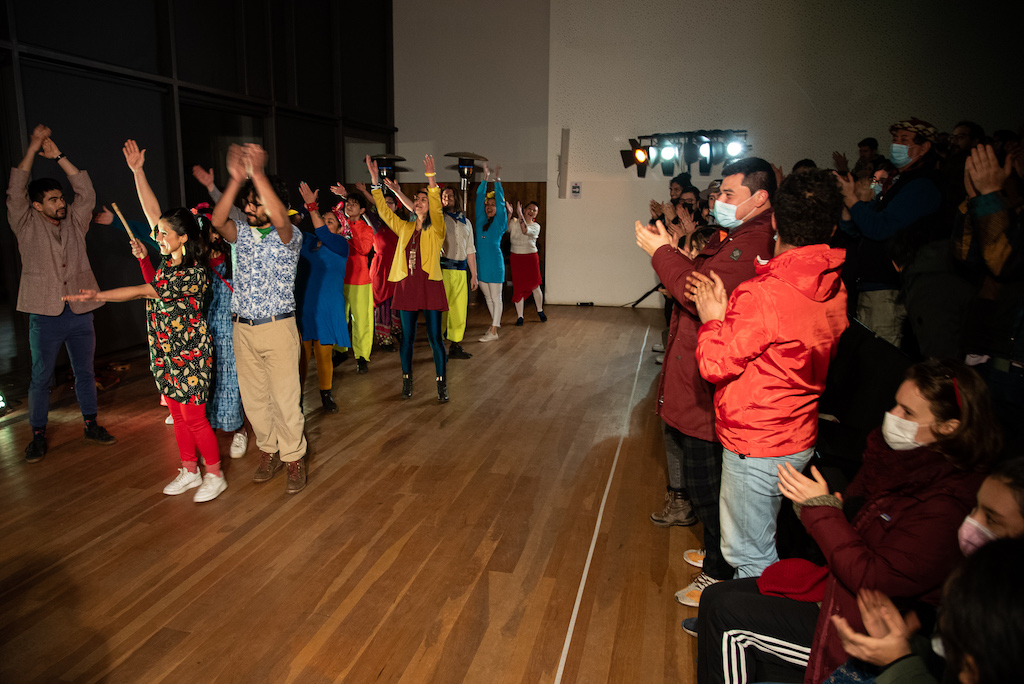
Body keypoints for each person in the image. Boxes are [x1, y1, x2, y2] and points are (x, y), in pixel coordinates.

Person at [691, 359, 999, 684]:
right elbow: (858, 529)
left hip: (866, 626)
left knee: (728, 619)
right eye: (896, 404)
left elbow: (875, 578)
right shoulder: (891, 459)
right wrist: (827, 511)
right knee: (715, 597)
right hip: (840, 594)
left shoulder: (946, 502)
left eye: (908, 413)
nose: (893, 415)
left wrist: (822, 511)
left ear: (949, 427)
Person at [688, 169, 849, 581]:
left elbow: (714, 364)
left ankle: (755, 618)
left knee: (749, 554)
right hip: (798, 432)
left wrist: (712, 319)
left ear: (775, 219)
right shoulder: (833, 284)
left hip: (757, 440)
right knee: (769, 536)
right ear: (832, 227)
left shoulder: (763, 294)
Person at [634, 157, 777, 607]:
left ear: (761, 198)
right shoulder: (737, 236)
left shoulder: (752, 241)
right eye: (720, 193)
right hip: (698, 373)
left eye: (730, 194)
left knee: (707, 484)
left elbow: (696, 292)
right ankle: (718, 552)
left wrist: (662, 252)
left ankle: (718, 571)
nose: (719, 201)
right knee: (707, 482)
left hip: (710, 382)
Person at [64, 139, 225, 502]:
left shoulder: (193, 273)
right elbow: (153, 216)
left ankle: (215, 475)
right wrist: (138, 172)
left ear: (183, 238)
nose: (158, 237)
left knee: (195, 419)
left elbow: (145, 291)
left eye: (165, 234)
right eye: (159, 233)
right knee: (178, 417)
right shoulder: (168, 261)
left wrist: (99, 295)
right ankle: (190, 470)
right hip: (165, 350)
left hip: (189, 354)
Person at [7, 124, 116, 463]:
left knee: (85, 371)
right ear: (37, 206)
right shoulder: (25, 223)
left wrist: (58, 156)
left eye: (60, 198)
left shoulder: (76, 221)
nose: (60, 203)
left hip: (80, 311)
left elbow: (85, 191)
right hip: (45, 314)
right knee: (41, 377)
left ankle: (91, 424)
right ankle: (38, 435)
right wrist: (33, 148)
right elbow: (16, 190)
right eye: (52, 200)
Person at [210, 143, 307, 494]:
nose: (249, 208)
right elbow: (217, 221)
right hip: (243, 328)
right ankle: (269, 451)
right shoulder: (242, 234)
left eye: (256, 202)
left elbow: (280, 218)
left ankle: (294, 457)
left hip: (277, 327)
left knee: (285, 399)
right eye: (247, 203)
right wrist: (237, 180)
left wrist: (259, 174)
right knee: (254, 399)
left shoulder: (289, 235)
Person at [367, 154, 450, 402]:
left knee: (436, 339)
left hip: (431, 286)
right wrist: (375, 182)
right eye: (417, 199)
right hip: (406, 288)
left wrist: (431, 178)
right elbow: (384, 211)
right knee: (407, 339)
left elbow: (436, 206)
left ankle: (441, 384)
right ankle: (407, 380)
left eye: (423, 199)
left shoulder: (437, 228)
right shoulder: (404, 227)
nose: (419, 202)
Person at [295, 182, 350, 413]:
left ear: (339, 229)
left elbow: (323, 233)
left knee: (324, 354)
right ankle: (296, 398)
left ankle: (325, 394)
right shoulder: (307, 241)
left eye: (330, 221)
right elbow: (291, 228)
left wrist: (312, 208)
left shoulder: (341, 245)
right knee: (300, 357)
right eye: (323, 219)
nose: (325, 223)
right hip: (305, 306)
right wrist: (304, 209)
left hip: (327, 307)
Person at [327, 184, 374, 374]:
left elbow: (364, 249)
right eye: (348, 203)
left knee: (361, 319)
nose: (350, 206)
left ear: (362, 210)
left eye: (354, 204)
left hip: (360, 279)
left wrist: (348, 234)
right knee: (339, 316)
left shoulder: (366, 229)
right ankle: (340, 351)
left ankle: (362, 356)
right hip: (339, 277)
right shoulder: (339, 225)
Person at [440, 185, 479, 358]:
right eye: (444, 196)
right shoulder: (438, 219)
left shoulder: (466, 222)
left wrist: (474, 275)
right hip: (442, 270)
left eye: (450, 196)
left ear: (457, 198)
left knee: (459, 309)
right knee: (441, 308)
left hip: (461, 271)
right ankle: (439, 342)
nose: (447, 199)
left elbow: (470, 250)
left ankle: (455, 344)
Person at [475, 162, 509, 342]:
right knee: (488, 297)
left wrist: (497, 181)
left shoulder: (500, 222)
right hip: (481, 263)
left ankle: (494, 330)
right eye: (488, 204)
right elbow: (479, 198)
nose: (489, 207)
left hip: (495, 264)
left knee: (496, 297)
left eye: (493, 205)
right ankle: (494, 324)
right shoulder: (480, 219)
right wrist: (485, 178)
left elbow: (502, 203)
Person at [510, 200, 546, 326]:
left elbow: (525, 230)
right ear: (524, 210)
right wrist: (509, 213)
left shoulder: (536, 226)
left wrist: (520, 215)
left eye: (534, 210)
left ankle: (540, 310)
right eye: (529, 209)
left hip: (530, 257)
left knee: (535, 285)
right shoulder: (514, 222)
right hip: (516, 257)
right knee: (518, 286)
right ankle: (520, 316)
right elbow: (504, 228)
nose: (531, 211)